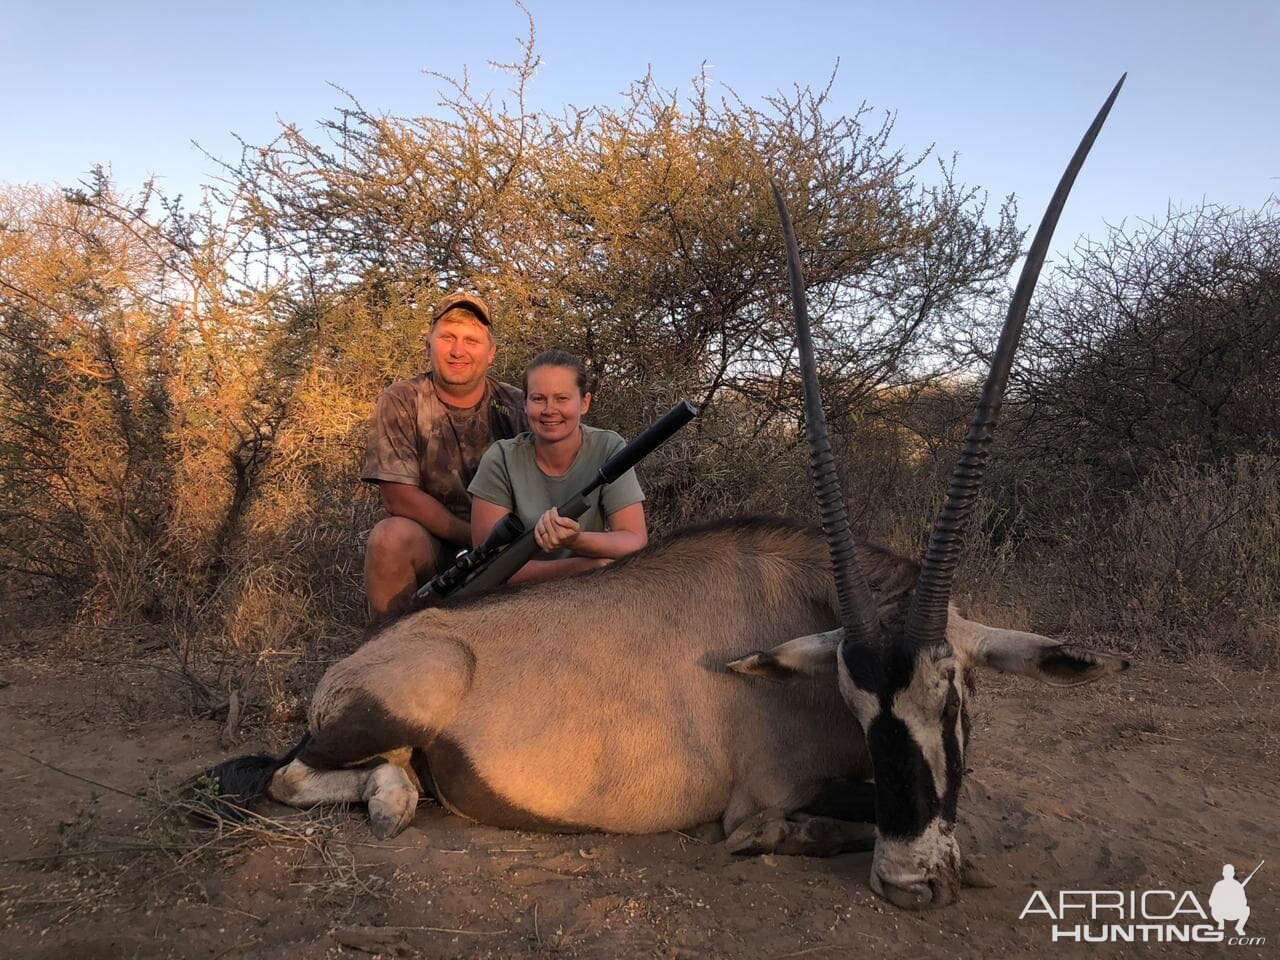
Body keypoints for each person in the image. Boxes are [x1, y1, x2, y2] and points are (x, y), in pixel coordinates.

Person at [361, 292, 527, 617]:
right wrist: (480, 540)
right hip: (438, 543)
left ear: (491, 352)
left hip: (509, 542)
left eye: (471, 340)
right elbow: (399, 498)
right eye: (447, 337)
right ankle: (389, 651)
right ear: (429, 343)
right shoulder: (401, 400)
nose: (457, 351)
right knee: (389, 538)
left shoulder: (520, 405)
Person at [468, 349, 647, 583]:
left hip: (588, 588)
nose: (549, 410)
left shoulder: (609, 447)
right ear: (525, 403)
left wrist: (575, 540)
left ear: (585, 402)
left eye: (562, 398)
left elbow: (634, 540)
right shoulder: (501, 457)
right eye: (538, 398)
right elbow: (490, 568)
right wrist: (582, 568)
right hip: (517, 597)